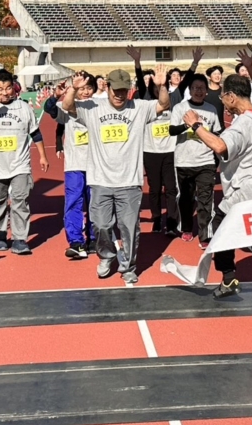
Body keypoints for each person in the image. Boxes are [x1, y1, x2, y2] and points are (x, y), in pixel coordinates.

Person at [182, 51, 252, 317]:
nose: (221, 101)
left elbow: (219, 146)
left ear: (231, 96)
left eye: (222, 96)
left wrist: (196, 126)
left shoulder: (240, 127)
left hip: (246, 194)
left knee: (219, 228)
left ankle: (229, 277)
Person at [61, 65, 171, 283]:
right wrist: (73, 88)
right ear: (107, 87)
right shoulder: (93, 107)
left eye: (123, 91)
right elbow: (67, 106)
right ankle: (106, 255)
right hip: (100, 180)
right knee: (100, 225)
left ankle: (128, 266)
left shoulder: (139, 107)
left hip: (129, 182)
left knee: (129, 228)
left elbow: (163, 104)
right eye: (116, 90)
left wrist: (162, 86)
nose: (120, 95)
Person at [0, 69, 49, 253]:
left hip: (19, 164)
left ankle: (20, 239)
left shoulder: (24, 107)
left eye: (8, 88)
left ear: (13, 87)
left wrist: (43, 156)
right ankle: (0, 235)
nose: (5, 93)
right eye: (0, 89)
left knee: (20, 201)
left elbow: (35, 133)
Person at [127, 46, 201, 234]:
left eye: (162, 86)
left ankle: (172, 222)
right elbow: (141, 84)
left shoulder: (173, 98)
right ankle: (156, 219)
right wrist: (137, 62)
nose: (159, 89)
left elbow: (186, 82)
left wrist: (194, 63)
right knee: (154, 189)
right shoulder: (146, 100)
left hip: (170, 151)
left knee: (171, 188)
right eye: (156, 86)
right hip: (150, 151)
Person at [45, 73, 96, 258]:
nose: (85, 92)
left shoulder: (99, 106)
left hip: (96, 165)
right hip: (75, 165)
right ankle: (76, 241)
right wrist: (55, 96)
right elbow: (49, 109)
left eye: (89, 88)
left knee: (96, 203)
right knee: (74, 202)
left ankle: (94, 238)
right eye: (81, 88)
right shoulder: (66, 107)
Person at [170, 74, 223, 246]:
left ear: (206, 91)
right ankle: (186, 228)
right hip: (183, 161)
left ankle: (205, 234)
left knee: (206, 198)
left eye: (202, 88)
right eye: (195, 88)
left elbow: (217, 132)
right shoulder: (180, 108)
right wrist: (189, 125)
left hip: (206, 161)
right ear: (190, 90)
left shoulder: (211, 109)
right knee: (186, 198)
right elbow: (172, 131)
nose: (198, 91)